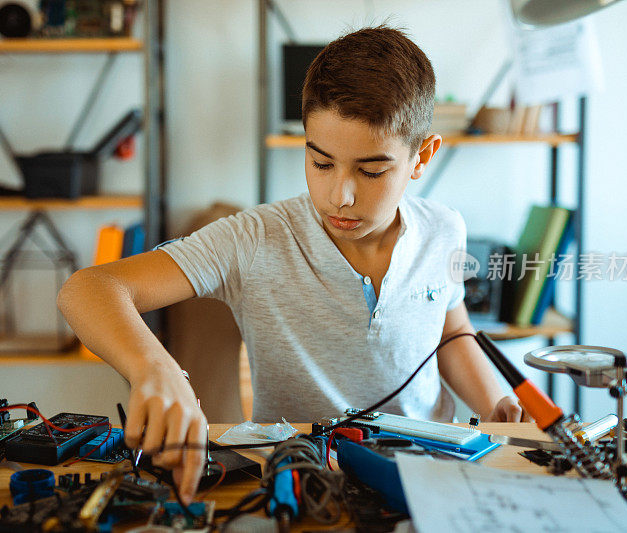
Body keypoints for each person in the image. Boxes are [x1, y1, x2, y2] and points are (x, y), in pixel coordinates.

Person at [57, 25, 530, 505]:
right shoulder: (254, 238)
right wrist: (154, 369)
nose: (339, 196)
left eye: (371, 171)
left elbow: (450, 331)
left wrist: (495, 403)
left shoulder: (446, 229)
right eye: (321, 163)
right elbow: (88, 288)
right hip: (299, 483)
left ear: (421, 156)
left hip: (429, 475)